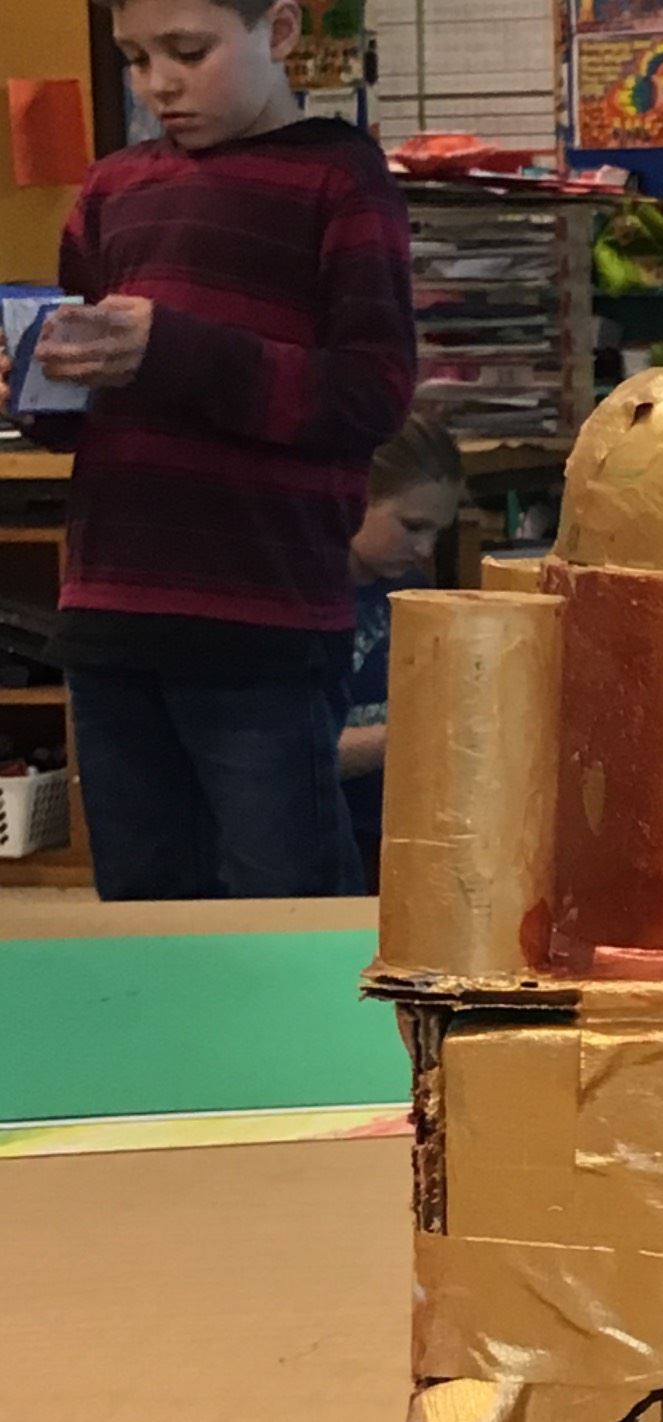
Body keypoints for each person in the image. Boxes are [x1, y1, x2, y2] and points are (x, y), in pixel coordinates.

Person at [0, 0, 415, 899]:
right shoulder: (111, 187)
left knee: (285, 903)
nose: (159, 84)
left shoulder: (340, 177)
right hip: (112, 614)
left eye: (189, 51)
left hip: (262, 621)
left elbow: (371, 393)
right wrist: (39, 383)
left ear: (280, 31)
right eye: (135, 57)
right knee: (141, 909)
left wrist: (172, 349)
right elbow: (85, 408)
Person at [338, 414, 463, 891]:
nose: (425, 548)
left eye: (438, 532)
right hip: (329, 838)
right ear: (353, 496)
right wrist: (411, 735)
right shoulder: (303, 602)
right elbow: (288, 754)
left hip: (404, 836)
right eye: (412, 526)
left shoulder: (413, 592)